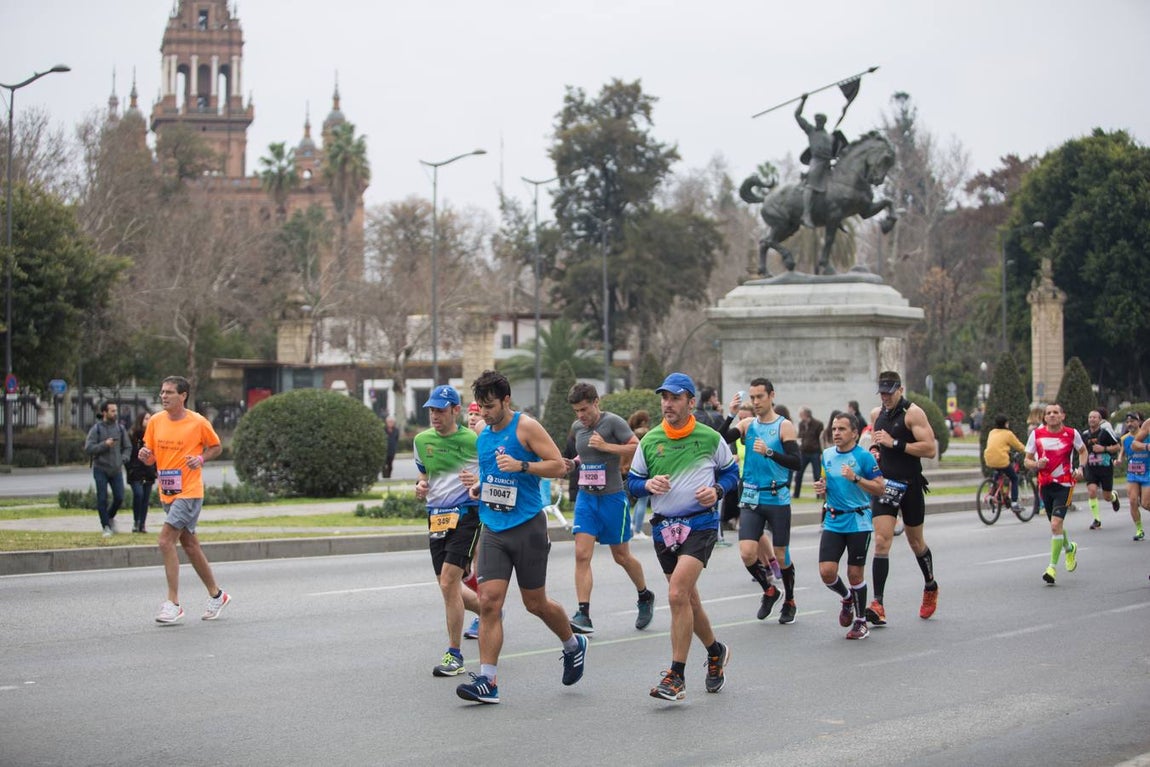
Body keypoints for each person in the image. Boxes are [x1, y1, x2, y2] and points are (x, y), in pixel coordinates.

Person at [454, 370, 587, 705]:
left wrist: (523, 466)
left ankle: (573, 644)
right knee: (489, 602)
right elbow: (493, 474)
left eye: (490, 406)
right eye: (480, 407)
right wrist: (480, 486)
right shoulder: (483, 435)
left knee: (535, 603)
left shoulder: (526, 427)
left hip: (527, 526)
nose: (484, 413)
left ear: (506, 400)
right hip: (493, 528)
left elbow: (559, 465)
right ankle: (488, 680)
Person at [627, 373, 739, 702]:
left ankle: (676, 676)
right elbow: (632, 483)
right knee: (688, 599)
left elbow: (731, 473)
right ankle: (715, 651)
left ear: (691, 402)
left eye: (675, 398)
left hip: (700, 523)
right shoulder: (650, 441)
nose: (668, 404)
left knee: (677, 593)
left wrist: (717, 490)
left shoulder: (709, 438)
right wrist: (648, 485)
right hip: (664, 527)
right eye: (664, 397)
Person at [564, 383, 655, 634]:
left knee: (621, 556)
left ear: (596, 402)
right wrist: (573, 463)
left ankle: (644, 595)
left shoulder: (613, 422)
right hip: (586, 498)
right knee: (582, 554)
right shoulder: (577, 427)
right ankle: (583, 613)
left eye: (584, 409)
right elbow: (584, 454)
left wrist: (607, 447)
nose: (581, 415)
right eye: (576, 411)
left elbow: (636, 446)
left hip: (612, 498)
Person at [138, 376, 228, 624]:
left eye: (169, 392)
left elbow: (216, 446)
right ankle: (217, 595)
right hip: (168, 491)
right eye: (162, 392)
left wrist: (200, 459)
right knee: (189, 545)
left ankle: (173, 603)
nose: (163, 396)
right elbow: (151, 457)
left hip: (189, 492)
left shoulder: (197, 422)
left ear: (183, 396)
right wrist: (145, 455)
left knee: (165, 541)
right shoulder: (155, 421)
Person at [413, 385, 483, 678]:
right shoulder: (421, 441)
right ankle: (488, 610)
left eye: (440, 410)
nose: (435, 416)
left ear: (456, 410)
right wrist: (420, 486)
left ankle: (454, 655)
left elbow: (493, 470)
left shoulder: (473, 439)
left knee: (448, 582)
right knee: (447, 586)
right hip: (437, 517)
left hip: (466, 514)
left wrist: (477, 480)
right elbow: (423, 474)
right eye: (431, 410)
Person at [726, 378, 802, 625]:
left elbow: (796, 462)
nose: (756, 401)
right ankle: (769, 590)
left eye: (760, 396)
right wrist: (730, 415)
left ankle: (790, 599)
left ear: (771, 396)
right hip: (751, 496)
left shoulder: (784, 426)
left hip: (776, 497)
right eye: (753, 397)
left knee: (781, 555)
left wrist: (769, 452)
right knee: (747, 553)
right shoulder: (747, 424)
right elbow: (720, 439)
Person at [867, 371, 939, 625]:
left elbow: (930, 449)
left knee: (915, 542)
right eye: (882, 393)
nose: (885, 397)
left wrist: (895, 443)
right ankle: (878, 604)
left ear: (900, 389)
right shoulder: (877, 414)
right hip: (886, 485)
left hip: (910, 485)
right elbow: (876, 442)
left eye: (889, 393)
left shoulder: (913, 414)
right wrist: (874, 450)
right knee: (881, 541)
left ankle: (930, 585)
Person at [813, 413, 885, 639]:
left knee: (855, 574)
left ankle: (861, 622)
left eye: (842, 429)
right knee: (826, 572)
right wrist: (822, 487)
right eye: (834, 428)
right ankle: (846, 598)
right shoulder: (827, 455)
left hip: (858, 521)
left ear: (854, 433)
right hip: (834, 520)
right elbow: (826, 480)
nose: (836, 433)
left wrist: (856, 478)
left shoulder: (864, 457)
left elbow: (880, 488)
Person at [1025, 402, 1087, 584]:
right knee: (1056, 526)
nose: (1052, 415)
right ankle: (1070, 548)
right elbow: (1027, 460)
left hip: (1065, 484)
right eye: (1048, 413)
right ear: (1044, 417)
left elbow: (1083, 451)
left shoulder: (1071, 433)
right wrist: (1037, 464)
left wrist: (1081, 468)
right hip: (1045, 485)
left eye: (1055, 412)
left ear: (1062, 416)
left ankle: (1051, 568)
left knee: (1055, 524)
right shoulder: (1036, 434)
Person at [85, 400, 131, 537]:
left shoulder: (120, 429)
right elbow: (89, 448)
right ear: (104, 412)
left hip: (116, 469)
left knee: (119, 497)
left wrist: (123, 459)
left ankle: (109, 517)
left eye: (116, 411)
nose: (115, 413)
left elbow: (127, 447)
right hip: (101, 468)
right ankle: (105, 526)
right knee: (102, 498)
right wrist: (104, 445)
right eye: (112, 411)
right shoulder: (96, 429)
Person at [795, 93, 833, 228]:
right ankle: (806, 214)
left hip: (827, 163)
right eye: (817, 121)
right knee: (811, 185)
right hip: (816, 161)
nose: (818, 123)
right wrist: (803, 101)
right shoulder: (811, 131)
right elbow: (797, 116)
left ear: (824, 122)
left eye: (820, 121)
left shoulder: (829, 136)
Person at [1080, 409, 1122, 529]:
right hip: (1091, 468)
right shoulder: (1085, 435)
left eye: (1095, 417)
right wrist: (1081, 466)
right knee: (1092, 491)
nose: (1092, 419)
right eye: (1090, 417)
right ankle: (1097, 520)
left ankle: (1114, 497)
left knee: (1107, 496)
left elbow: (1118, 446)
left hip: (1105, 468)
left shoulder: (1105, 433)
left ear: (1100, 420)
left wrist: (1104, 449)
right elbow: (1081, 450)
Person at [983, 414, 1027, 512]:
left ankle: (992, 492)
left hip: (989, 459)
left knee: (998, 472)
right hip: (1001, 460)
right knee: (1014, 478)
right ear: (1006, 424)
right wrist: (1028, 451)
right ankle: (1014, 503)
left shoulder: (992, 432)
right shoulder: (1008, 434)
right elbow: (1018, 446)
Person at [126, 411, 157, 534]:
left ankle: (142, 524)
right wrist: (129, 468)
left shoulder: (154, 435)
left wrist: (155, 470)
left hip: (148, 470)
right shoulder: (133, 435)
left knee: (145, 498)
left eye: (150, 419)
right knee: (138, 495)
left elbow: (157, 454)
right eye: (146, 419)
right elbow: (128, 453)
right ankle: (136, 521)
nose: (148, 421)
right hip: (135, 470)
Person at [1122, 412, 1148, 540]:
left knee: (1146, 504)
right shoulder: (1125, 439)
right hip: (1133, 472)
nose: (1130, 424)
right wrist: (1119, 460)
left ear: (1139, 422)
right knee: (1132, 501)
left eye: (1132, 421)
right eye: (1127, 422)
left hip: (1148, 472)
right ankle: (1139, 529)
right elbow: (1130, 447)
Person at [627, 410, 652, 538]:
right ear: (643, 422)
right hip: (645, 468)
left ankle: (633, 525)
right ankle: (638, 530)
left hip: (633, 469)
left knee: (638, 500)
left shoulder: (630, 434)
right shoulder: (647, 435)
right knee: (643, 500)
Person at [794, 406, 824, 499]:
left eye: (801, 414)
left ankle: (819, 495)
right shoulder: (801, 424)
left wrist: (820, 450)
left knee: (817, 474)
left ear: (806, 414)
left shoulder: (818, 424)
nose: (800, 416)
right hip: (804, 452)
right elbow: (800, 436)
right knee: (799, 474)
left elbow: (820, 438)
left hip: (815, 452)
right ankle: (796, 494)